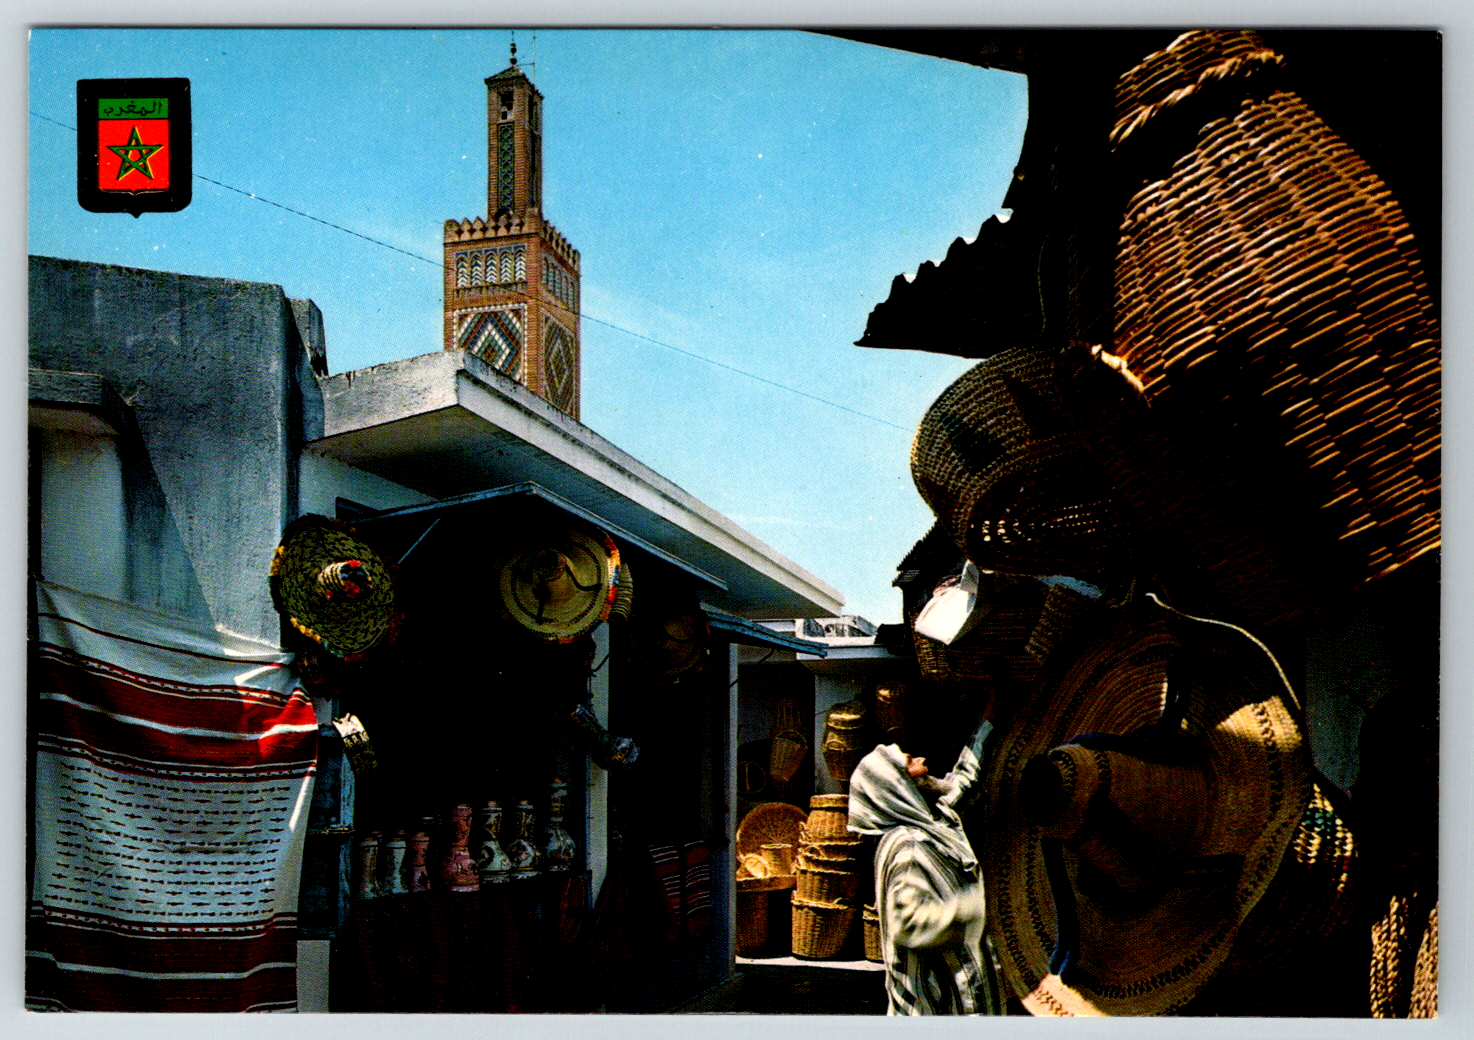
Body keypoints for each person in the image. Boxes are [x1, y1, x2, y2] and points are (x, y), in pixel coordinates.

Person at [847, 720, 1002, 1015]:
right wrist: (987, 907)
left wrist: (989, 720)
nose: (922, 760)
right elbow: (911, 924)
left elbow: (963, 782)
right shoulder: (909, 848)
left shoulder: (930, 826)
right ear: (898, 786)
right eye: (910, 761)